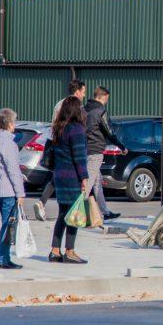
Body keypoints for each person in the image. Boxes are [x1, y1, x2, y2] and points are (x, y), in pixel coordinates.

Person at [34, 79, 87, 222]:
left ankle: (42, 201)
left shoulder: (59, 103)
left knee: (56, 177)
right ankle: (75, 213)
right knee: (66, 181)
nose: (83, 95)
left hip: (55, 142)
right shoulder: (75, 107)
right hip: (69, 145)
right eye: (83, 92)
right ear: (77, 91)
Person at [49, 96, 90, 264]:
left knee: (62, 214)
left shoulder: (59, 128)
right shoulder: (77, 129)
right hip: (72, 176)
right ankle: (70, 251)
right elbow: (79, 156)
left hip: (59, 175)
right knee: (75, 214)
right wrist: (84, 178)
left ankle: (54, 250)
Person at [0, 108, 26, 269]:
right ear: (8, 123)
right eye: (13, 122)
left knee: (7, 223)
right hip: (9, 189)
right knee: (9, 224)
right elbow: (13, 170)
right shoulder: (9, 144)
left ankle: (3, 256)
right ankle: (2, 258)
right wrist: (20, 193)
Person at [84, 86, 126, 221]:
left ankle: (105, 212)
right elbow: (109, 132)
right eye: (107, 99)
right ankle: (78, 213)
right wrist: (121, 146)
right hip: (95, 151)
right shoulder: (101, 112)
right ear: (103, 97)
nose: (106, 101)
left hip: (83, 150)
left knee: (97, 182)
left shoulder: (83, 110)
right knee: (89, 183)